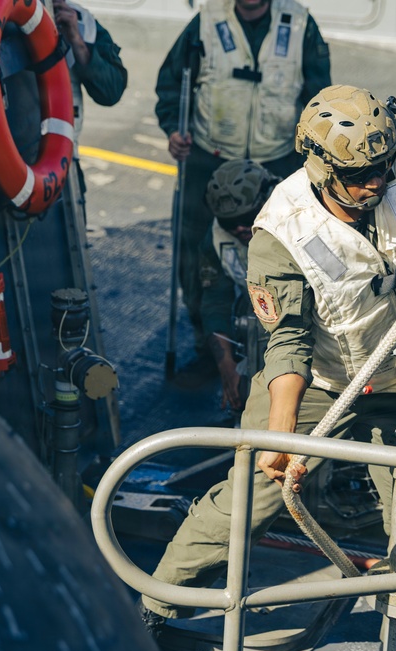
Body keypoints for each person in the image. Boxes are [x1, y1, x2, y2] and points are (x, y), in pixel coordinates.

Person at [139, 84, 396, 628]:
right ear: (321, 168)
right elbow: (287, 343)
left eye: (381, 169)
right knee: (242, 510)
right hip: (318, 388)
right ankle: (154, 606)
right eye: (359, 177)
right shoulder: (280, 235)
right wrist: (281, 437)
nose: (376, 183)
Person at [154, 0, 331, 374]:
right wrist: (174, 129)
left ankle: (281, 345)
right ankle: (211, 347)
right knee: (197, 253)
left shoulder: (300, 25)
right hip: (209, 158)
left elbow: (319, 98)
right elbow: (171, 84)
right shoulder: (205, 21)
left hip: (277, 162)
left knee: (288, 255)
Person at [199, 159, 281, 411]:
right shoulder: (214, 241)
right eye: (229, 223)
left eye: (247, 217)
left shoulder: (300, 216)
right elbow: (215, 302)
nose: (240, 228)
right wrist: (227, 368)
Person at [52, 0, 128, 147]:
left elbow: (111, 92)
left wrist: (77, 42)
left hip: (64, 151)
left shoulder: (80, 19)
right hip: (10, 150)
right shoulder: (3, 14)